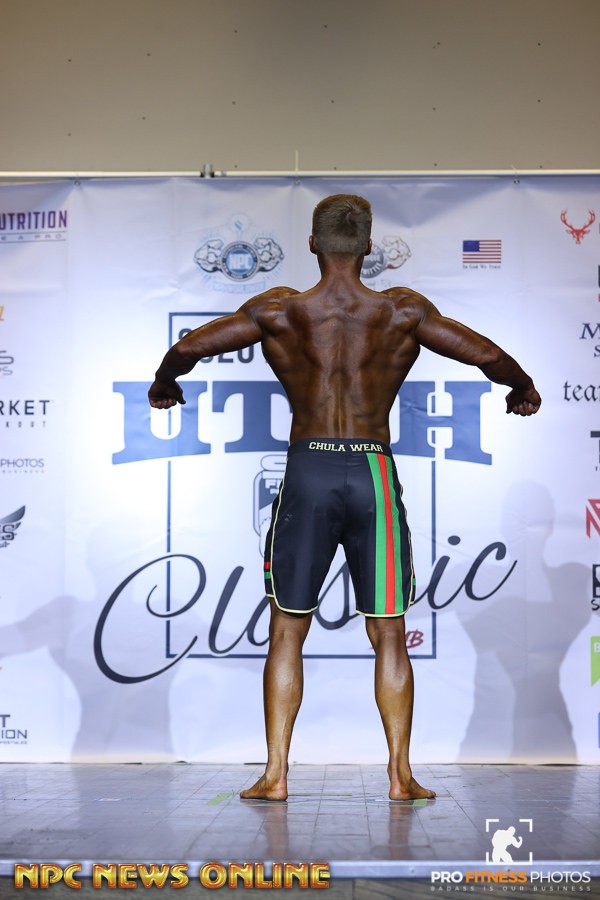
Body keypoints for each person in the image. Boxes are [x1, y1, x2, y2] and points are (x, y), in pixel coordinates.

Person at [148, 194, 541, 802]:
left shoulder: (278, 310)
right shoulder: (401, 311)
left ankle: (276, 775)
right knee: (389, 631)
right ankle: (400, 776)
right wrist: (522, 388)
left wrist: (165, 383)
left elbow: (189, 348)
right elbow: (487, 356)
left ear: (312, 244)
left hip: (308, 470)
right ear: (368, 247)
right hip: (371, 471)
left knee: (287, 627)